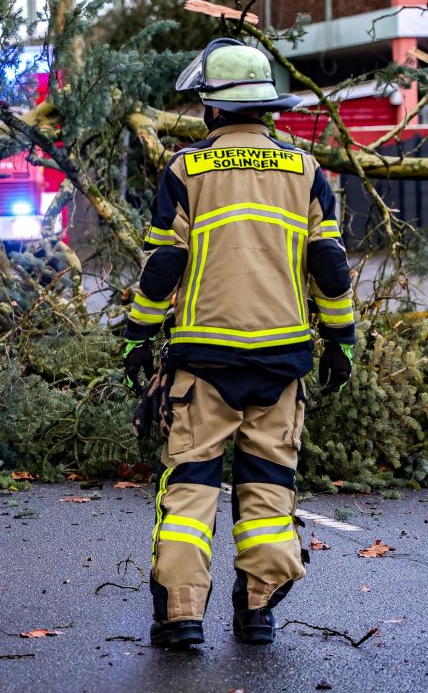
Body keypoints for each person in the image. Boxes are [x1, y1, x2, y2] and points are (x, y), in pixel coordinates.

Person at [123, 38, 355, 649]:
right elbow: (329, 265)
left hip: (204, 364)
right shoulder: (306, 172)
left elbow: (162, 267)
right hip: (282, 363)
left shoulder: (184, 171)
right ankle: (256, 615)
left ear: (213, 109)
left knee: (192, 489)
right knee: (270, 490)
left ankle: (180, 621)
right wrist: (341, 339)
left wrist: (138, 337)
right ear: (266, 110)